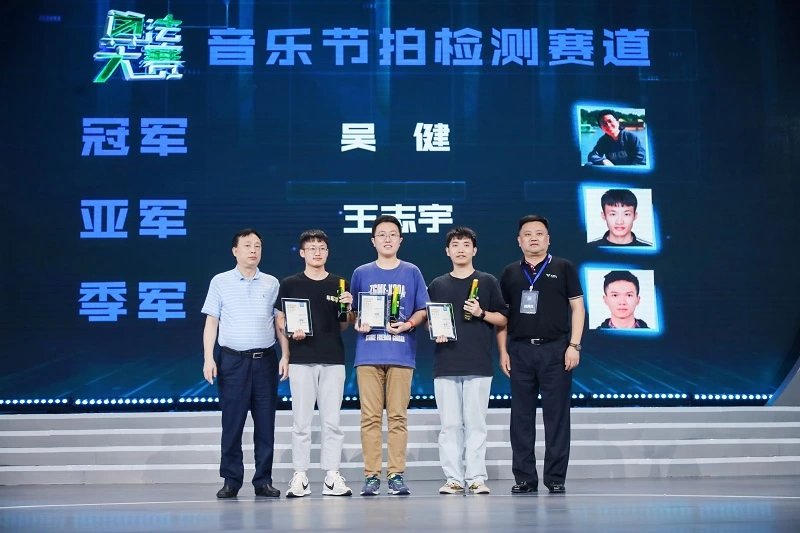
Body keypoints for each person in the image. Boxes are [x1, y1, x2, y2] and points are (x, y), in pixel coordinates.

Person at [497, 215, 585, 494]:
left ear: (548, 239)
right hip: (520, 350)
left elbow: (578, 308)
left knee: (556, 417)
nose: (533, 238)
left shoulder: (563, 267)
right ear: (519, 241)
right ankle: (524, 478)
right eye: (527, 234)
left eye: (539, 233)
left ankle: (555, 478)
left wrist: (574, 345)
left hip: (556, 350)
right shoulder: (510, 273)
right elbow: (502, 317)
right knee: (521, 417)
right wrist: (503, 351)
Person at [201, 228, 288, 499]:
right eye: (248, 245)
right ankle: (231, 480)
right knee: (232, 423)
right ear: (235, 250)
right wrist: (208, 358)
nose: (253, 250)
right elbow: (211, 322)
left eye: (258, 246)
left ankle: (263, 480)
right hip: (232, 361)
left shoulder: (272, 283)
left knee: (265, 424)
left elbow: (279, 323)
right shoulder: (220, 281)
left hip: (265, 361)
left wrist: (286, 355)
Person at [350, 215, 430, 496]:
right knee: (370, 417)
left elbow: (423, 309)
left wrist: (408, 325)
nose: (387, 239)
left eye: (392, 234)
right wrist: (357, 321)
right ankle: (371, 476)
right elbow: (353, 312)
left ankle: (396, 475)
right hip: (368, 354)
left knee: (397, 417)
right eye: (382, 234)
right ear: (373, 240)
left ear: (400, 240)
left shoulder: (412, 272)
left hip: (401, 354)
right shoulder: (361, 273)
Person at [427, 227, 508, 495]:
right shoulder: (437, 284)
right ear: (447, 251)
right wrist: (435, 330)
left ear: (474, 250)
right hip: (446, 363)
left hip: (478, 363)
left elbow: (503, 318)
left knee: (476, 424)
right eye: (455, 244)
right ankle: (453, 478)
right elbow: (429, 318)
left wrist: (481, 312)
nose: (460, 249)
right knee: (449, 426)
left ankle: (476, 477)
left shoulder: (487, 281)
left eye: (465, 244)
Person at [275, 230, 354, 498]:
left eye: (322, 247)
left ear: (327, 252)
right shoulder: (290, 284)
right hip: (301, 359)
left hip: (333, 359)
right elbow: (280, 319)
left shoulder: (339, 283)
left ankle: (332, 476)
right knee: (301, 422)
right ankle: (300, 476)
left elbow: (343, 325)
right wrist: (289, 336)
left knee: (332, 422)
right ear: (302, 253)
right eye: (312, 248)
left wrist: (348, 309)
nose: (317, 252)